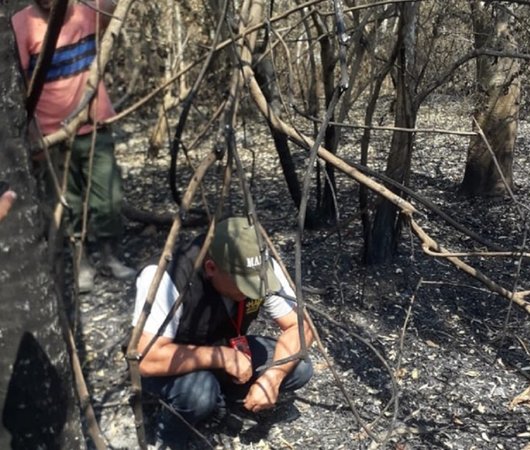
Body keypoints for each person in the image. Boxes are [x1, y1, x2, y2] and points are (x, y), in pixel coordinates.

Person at [132, 217, 314, 448]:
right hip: (173, 363)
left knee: (299, 367)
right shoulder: (166, 277)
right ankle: (170, 433)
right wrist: (222, 357)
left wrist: (273, 378)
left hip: (228, 346)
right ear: (211, 268)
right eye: (244, 285)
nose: (253, 292)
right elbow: (146, 359)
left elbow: (301, 326)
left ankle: (225, 400)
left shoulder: (261, 268)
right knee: (199, 392)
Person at [11, 0, 135, 293]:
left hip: (95, 123)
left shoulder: (88, 8)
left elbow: (114, 14)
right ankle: (82, 265)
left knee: (109, 198)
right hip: (53, 132)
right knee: (68, 204)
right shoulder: (22, 23)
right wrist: (32, 135)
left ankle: (109, 257)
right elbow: (19, 84)